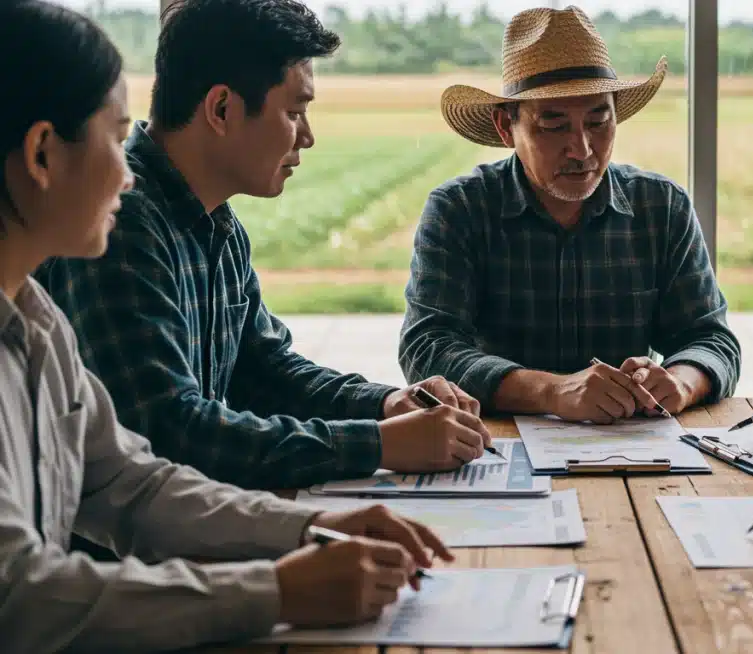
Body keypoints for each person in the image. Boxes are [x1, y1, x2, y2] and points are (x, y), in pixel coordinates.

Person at [0, 3, 454, 651]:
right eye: (115, 134)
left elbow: (131, 483)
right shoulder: (126, 235)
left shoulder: (37, 325)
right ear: (43, 153)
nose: (127, 172)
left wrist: (315, 527)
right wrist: (276, 590)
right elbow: (16, 595)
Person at [36, 0, 492, 493]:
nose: (309, 136)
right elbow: (167, 431)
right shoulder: (120, 225)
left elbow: (263, 369)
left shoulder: (216, 222)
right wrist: (378, 443)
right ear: (223, 109)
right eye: (295, 111)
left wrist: (385, 404)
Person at [398, 6, 741, 424]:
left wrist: (680, 382)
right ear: (507, 128)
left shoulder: (662, 207)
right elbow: (427, 347)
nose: (582, 150)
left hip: (631, 445)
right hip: (497, 444)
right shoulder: (460, 210)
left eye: (599, 121)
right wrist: (552, 391)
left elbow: (710, 338)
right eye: (554, 126)